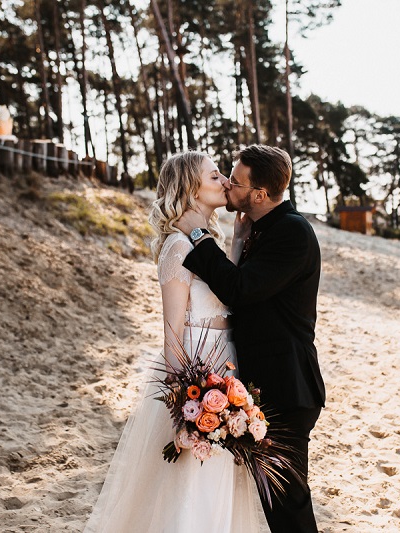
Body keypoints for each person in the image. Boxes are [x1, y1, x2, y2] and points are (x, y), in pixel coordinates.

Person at [84, 152, 262, 533]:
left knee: (219, 471)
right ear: (190, 188)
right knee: (194, 475)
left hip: (225, 362)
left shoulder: (209, 240)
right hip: (196, 366)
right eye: (215, 176)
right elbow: (173, 329)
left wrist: (240, 239)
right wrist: (186, 399)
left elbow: (229, 290)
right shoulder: (178, 247)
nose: (225, 182)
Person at [176, 144, 326, 533]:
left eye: (236, 181)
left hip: (288, 388)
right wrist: (237, 244)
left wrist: (196, 233)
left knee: (288, 504)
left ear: (258, 195)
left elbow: (240, 289)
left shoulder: (293, 233)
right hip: (267, 385)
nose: (227, 183)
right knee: (278, 503)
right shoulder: (263, 227)